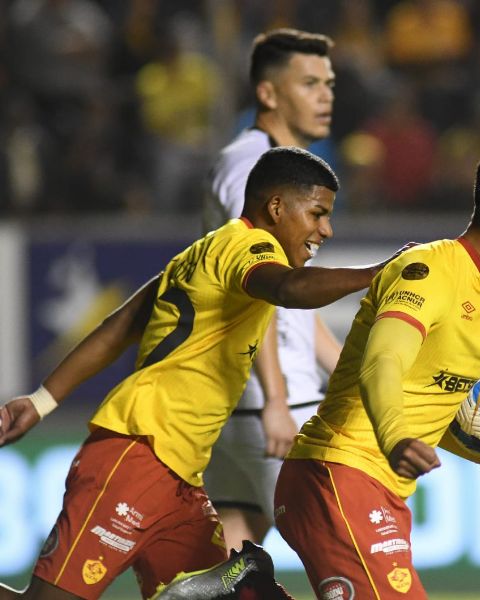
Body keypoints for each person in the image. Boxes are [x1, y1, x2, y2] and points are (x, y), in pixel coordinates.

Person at [0, 147, 395, 600]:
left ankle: (235, 581)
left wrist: (41, 399)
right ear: (276, 207)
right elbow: (289, 288)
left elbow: (121, 326)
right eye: (318, 213)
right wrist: (377, 273)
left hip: (178, 480)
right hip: (138, 454)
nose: (326, 229)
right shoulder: (251, 247)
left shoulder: (203, 252)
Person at [274, 136, 480, 599]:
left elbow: (432, 410)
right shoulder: (431, 268)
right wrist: (394, 437)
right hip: (338, 475)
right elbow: (383, 361)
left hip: (378, 489)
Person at [202, 27, 343, 553]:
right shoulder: (250, 169)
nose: (326, 95)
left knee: (233, 558)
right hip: (271, 398)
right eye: (309, 83)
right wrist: (277, 400)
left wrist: (347, 368)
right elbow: (257, 289)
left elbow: (292, 304)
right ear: (268, 93)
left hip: (249, 398)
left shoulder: (283, 168)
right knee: (342, 550)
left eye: (328, 82)